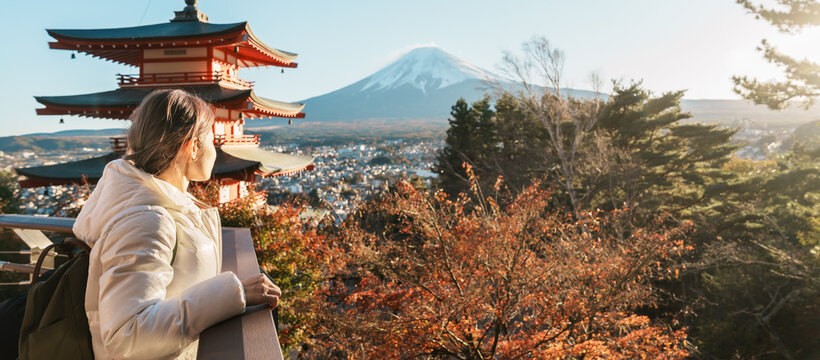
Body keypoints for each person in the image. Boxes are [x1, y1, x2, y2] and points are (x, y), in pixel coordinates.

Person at [72, 89, 281, 360]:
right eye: (212, 141)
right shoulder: (146, 220)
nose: (215, 151)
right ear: (192, 147)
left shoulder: (159, 204)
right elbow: (127, 334)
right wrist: (235, 293)